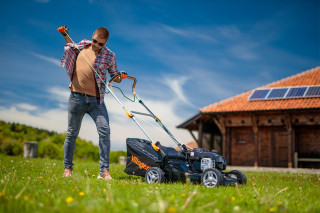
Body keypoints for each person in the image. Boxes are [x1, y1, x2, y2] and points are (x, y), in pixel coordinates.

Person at [58, 26, 122, 180]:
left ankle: (104, 171)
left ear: (105, 43)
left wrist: (119, 77)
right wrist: (65, 34)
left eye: (100, 44)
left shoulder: (109, 56)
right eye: (95, 41)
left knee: (105, 132)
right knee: (72, 133)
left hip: (96, 101)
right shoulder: (82, 46)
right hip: (76, 97)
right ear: (92, 36)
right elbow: (70, 45)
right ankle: (67, 168)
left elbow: (115, 75)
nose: (96, 45)